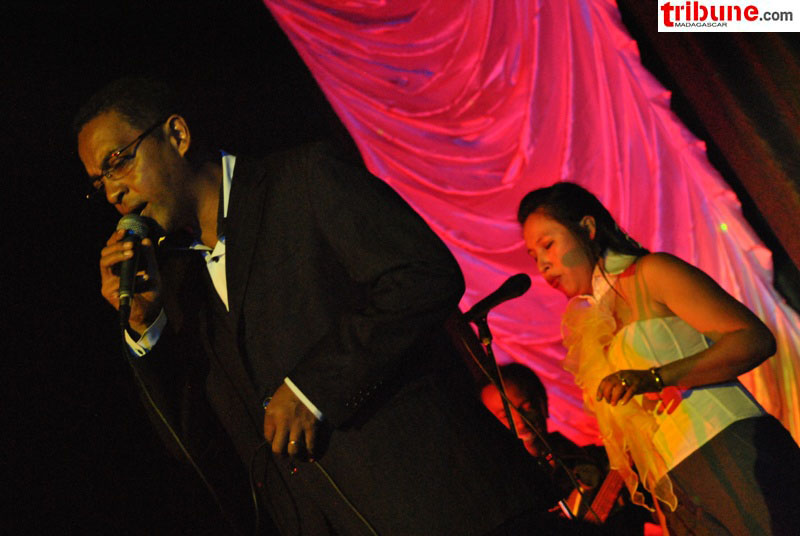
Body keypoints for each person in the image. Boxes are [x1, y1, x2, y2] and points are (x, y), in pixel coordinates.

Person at [74, 76, 570, 535]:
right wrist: (144, 325)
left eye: (118, 161)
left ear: (177, 135)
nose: (114, 191)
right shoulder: (177, 284)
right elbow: (195, 444)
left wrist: (313, 389)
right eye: (99, 183)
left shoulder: (301, 180)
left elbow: (423, 274)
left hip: (454, 510)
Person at [516, 181, 800, 535]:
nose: (543, 264)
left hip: (729, 444)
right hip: (677, 485)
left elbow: (753, 338)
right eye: (534, 256)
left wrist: (657, 377)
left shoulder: (651, 273)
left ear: (587, 228)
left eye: (548, 245)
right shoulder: (592, 326)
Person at [481, 364, 651, 534]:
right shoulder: (502, 495)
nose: (520, 421)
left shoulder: (602, 461)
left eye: (526, 407)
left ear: (542, 403)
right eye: (505, 416)